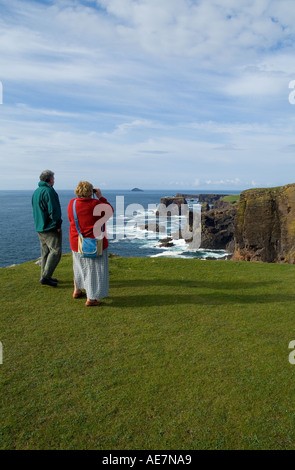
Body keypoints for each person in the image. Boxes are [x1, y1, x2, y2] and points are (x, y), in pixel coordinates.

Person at [67, 181, 114, 307]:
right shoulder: (96, 204)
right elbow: (110, 211)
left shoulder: (72, 203)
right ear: (90, 192)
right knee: (94, 270)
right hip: (95, 242)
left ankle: (77, 290)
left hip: (77, 241)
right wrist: (100, 196)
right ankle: (91, 299)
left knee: (78, 267)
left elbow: (71, 219)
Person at [32, 170, 62, 287]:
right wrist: (57, 224)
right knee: (55, 251)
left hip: (40, 226)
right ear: (49, 180)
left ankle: (45, 276)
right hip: (50, 227)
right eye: (53, 178)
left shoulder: (36, 191)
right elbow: (53, 210)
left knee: (45, 252)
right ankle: (45, 277)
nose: (54, 180)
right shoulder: (49, 191)